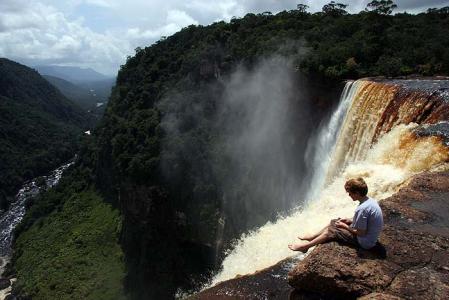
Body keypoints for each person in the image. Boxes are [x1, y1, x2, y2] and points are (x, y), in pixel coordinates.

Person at [288, 177, 383, 253]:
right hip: (370, 236)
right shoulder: (369, 201)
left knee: (333, 231)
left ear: (357, 193)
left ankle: (305, 247)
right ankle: (312, 237)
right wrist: (350, 221)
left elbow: (361, 233)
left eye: (350, 193)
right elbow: (366, 222)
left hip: (365, 242)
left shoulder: (362, 209)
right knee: (335, 221)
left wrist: (345, 226)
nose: (349, 195)